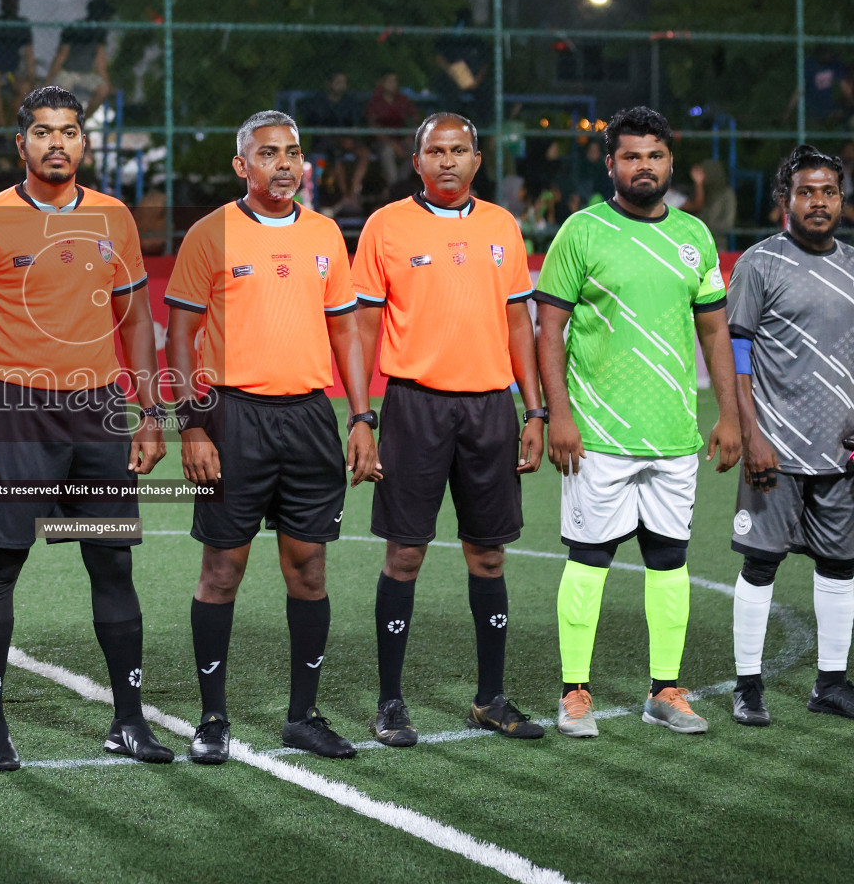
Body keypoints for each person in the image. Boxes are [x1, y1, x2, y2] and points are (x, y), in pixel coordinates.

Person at [0, 85, 170, 771]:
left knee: (111, 561)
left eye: (68, 131)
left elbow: (134, 322)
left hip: (98, 414)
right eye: (43, 132)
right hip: (15, 416)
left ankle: (128, 722)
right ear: (22, 144)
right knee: (1, 564)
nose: (57, 143)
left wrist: (152, 412)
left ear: (83, 141)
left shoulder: (114, 217)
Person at [165, 110, 380, 764]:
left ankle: (303, 716)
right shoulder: (210, 234)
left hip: (310, 418)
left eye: (291, 153)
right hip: (233, 417)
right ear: (241, 166)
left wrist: (362, 417)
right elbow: (177, 334)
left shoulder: (324, 235)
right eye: (267, 154)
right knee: (223, 569)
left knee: (309, 569)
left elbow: (345, 331)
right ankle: (211, 718)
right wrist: (193, 424)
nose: (283, 164)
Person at [534, 106, 741, 739]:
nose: (642, 166)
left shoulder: (695, 237)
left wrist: (730, 413)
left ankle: (666, 691)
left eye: (653, 155)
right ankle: (575, 692)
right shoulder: (582, 231)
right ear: (611, 164)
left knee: (670, 560)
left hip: (674, 433)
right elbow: (550, 330)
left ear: (670, 162)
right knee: (589, 559)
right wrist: (558, 416)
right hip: (597, 434)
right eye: (630, 155)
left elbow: (714, 330)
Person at [353, 111, 547, 748]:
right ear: (417, 162)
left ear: (477, 159)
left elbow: (520, 324)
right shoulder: (386, 225)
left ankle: (490, 699)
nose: (446, 161)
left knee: (488, 553)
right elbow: (364, 327)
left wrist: (535, 410)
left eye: (459, 150)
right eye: (435, 151)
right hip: (415, 406)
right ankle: (390, 702)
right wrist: (361, 416)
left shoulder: (502, 226)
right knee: (404, 554)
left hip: (491, 407)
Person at [727, 145, 854, 726]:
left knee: (841, 567)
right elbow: (735, 356)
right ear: (785, 201)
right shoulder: (760, 263)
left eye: (828, 191)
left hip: (841, 452)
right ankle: (747, 685)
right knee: (760, 565)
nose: (818, 202)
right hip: (774, 447)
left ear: (841, 198)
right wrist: (751, 435)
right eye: (806, 192)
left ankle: (831, 683)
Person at [299, 72, 369, 213]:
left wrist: (348, 137)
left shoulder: (349, 102)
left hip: (347, 140)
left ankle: (354, 192)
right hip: (325, 142)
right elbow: (314, 126)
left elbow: (354, 125)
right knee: (336, 154)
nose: (341, 86)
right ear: (329, 83)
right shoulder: (318, 101)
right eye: (338, 82)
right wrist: (338, 138)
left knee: (364, 153)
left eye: (343, 82)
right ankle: (345, 196)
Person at [48, 0, 114, 120]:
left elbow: (100, 60)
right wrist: (49, 79)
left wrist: (106, 82)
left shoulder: (100, 32)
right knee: (61, 93)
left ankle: (81, 121)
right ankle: (62, 123)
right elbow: (62, 55)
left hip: (85, 74)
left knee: (103, 90)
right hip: (67, 72)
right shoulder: (74, 28)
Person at [365, 72, 418, 186]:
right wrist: (392, 144)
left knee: (417, 151)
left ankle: (399, 184)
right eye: (390, 81)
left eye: (395, 81)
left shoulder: (402, 99)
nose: (393, 84)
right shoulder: (375, 102)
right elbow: (374, 127)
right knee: (387, 151)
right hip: (382, 142)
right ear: (382, 84)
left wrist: (410, 137)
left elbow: (416, 119)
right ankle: (393, 187)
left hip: (402, 140)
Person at [685, 159, 737, 253]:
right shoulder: (700, 192)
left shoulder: (726, 194)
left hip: (718, 244)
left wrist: (708, 228)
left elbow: (728, 223)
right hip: (696, 242)